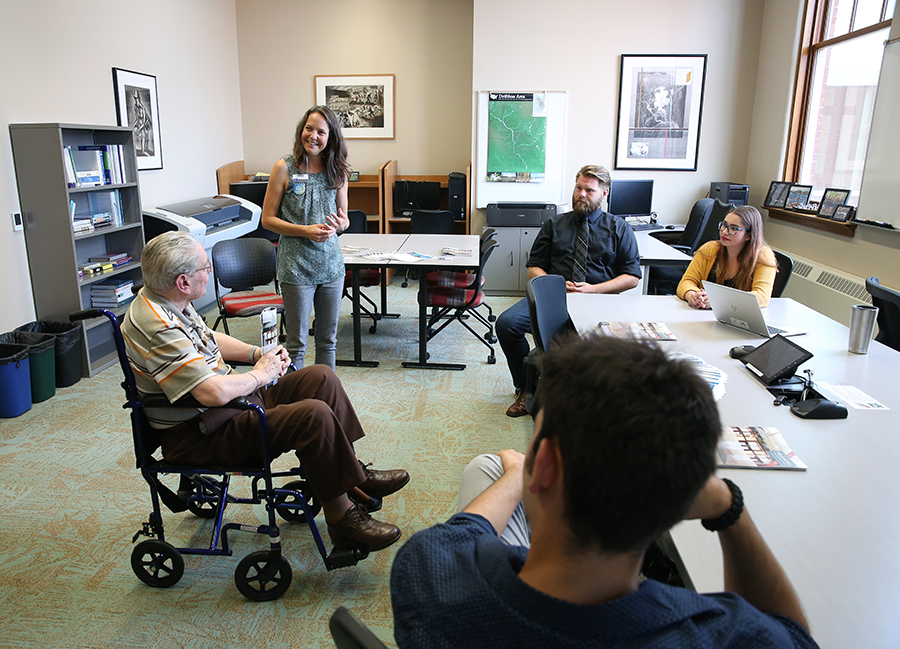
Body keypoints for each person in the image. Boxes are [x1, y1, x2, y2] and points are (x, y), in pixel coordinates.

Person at [390, 334, 818, 648]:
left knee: (486, 469)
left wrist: (513, 475)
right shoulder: (715, 634)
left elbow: (465, 529)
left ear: (545, 468)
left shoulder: (430, 570)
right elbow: (795, 636)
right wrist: (729, 507)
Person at [121, 231, 408, 552]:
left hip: (227, 409)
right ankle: (342, 520)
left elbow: (208, 338)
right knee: (313, 417)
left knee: (321, 378)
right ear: (183, 282)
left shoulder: (167, 299)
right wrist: (260, 375)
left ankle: (353, 475)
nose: (210, 271)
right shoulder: (160, 328)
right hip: (203, 433)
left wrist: (256, 354)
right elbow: (211, 394)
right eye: (205, 267)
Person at [496, 165, 641, 417]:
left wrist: (594, 290)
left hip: (598, 301)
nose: (581, 194)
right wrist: (552, 283)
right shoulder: (554, 224)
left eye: (589, 190)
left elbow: (632, 277)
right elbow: (534, 267)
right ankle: (525, 388)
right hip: (554, 297)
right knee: (507, 324)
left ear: (604, 193)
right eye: (578, 188)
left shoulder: (619, 228)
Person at [261, 105, 352, 369]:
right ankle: (297, 405)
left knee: (327, 340)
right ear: (301, 130)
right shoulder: (284, 167)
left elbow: (344, 218)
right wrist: (305, 230)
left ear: (330, 137)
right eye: (308, 128)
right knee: (296, 343)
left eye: (321, 132)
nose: (313, 136)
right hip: (295, 266)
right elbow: (267, 219)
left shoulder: (338, 170)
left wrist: (340, 224)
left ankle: (326, 399)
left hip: (331, 265)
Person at [677, 205, 777, 310]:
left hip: (738, 317)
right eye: (724, 225)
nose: (724, 231)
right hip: (703, 314)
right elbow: (687, 281)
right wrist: (693, 296)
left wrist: (718, 300)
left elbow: (762, 296)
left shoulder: (763, 255)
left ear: (749, 235)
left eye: (733, 228)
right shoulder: (709, 249)